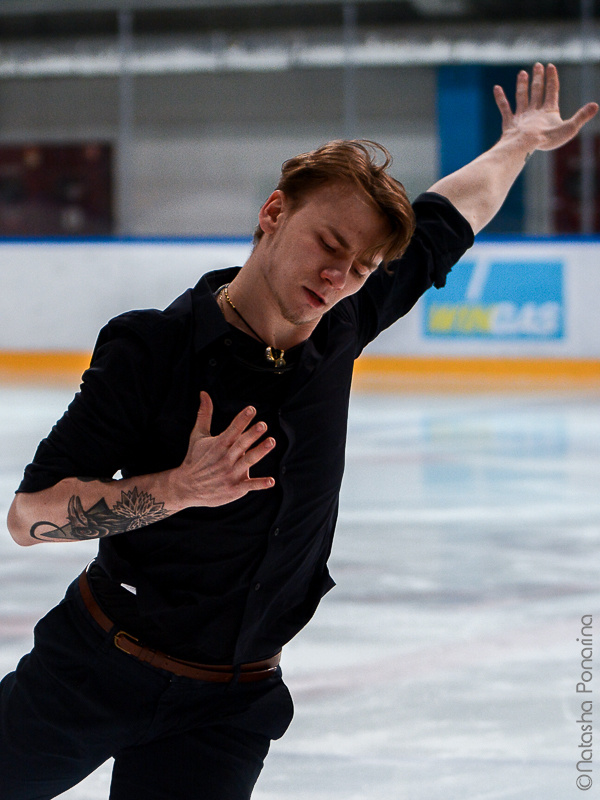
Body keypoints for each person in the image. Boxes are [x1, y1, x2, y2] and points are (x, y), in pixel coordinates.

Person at [1, 63, 596, 800]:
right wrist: (178, 489)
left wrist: (519, 145)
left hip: (230, 702)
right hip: (95, 670)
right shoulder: (153, 350)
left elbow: (451, 215)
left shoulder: (343, 318)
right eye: (328, 244)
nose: (338, 276)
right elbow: (29, 517)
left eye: (362, 265)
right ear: (273, 212)